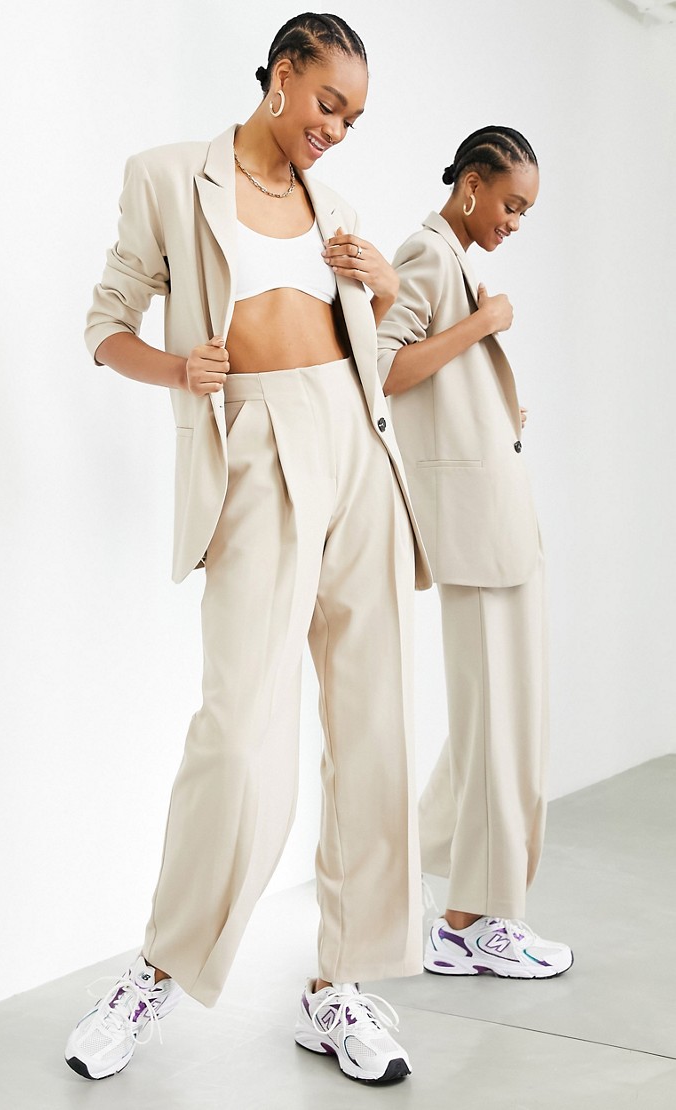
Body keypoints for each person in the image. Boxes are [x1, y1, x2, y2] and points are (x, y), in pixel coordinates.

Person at [64, 12, 433, 1087]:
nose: (337, 130)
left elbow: (373, 338)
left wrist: (381, 285)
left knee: (373, 721)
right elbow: (105, 324)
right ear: (280, 76)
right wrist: (179, 371)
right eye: (327, 104)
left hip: (358, 441)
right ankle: (157, 970)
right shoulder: (169, 176)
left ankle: (339, 984)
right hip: (257, 445)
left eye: (354, 118)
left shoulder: (339, 207)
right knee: (239, 729)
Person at [378, 127, 573, 979]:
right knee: (498, 724)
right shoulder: (427, 252)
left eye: (525, 212)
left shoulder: (449, 257)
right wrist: (486, 324)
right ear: (470, 185)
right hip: (474, 531)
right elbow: (382, 368)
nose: (515, 223)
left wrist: (497, 410)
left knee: (502, 722)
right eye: (511, 204)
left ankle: (458, 902)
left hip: (496, 522)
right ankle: (480, 922)